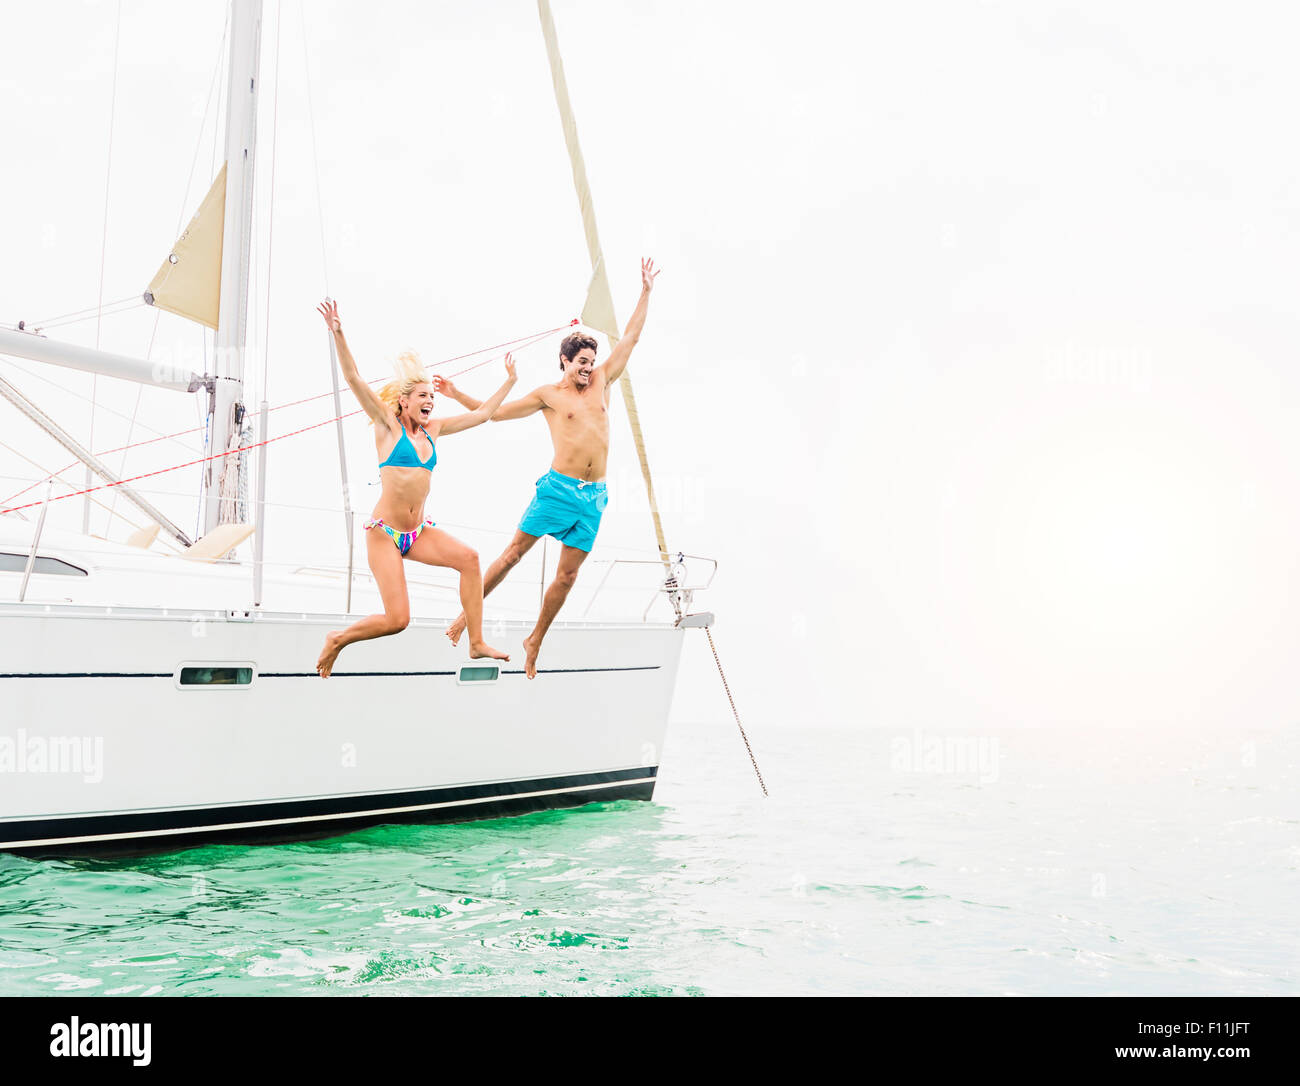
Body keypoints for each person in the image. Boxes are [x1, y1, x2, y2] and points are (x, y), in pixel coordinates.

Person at [436, 258, 659, 677]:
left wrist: (645, 291)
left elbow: (630, 337)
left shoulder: (603, 381)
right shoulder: (548, 395)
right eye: (580, 362)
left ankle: (535, 638)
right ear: (564, 361)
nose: (588, 367)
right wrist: (456, 394)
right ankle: (468, 616)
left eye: (591, 360)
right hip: (558, 490)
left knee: (567, 577)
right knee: (513, 554)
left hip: (593, 498)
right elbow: (495, 414)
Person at [313, 298, 515, 678]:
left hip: (417, 532)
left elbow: (483, 415)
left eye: (432, 398)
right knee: (398, 619)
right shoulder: (386, 424)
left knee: (470, 560)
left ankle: (475, 641)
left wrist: (509, 382)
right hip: (385, 535)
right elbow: (354, 378)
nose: (429, 402)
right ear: (404, 401)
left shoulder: (434, 429)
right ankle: (337, 639)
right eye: (423, 397)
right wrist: (338, 332)